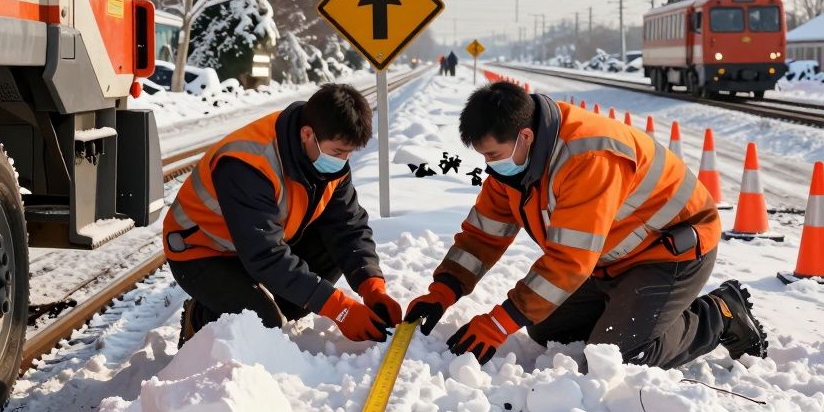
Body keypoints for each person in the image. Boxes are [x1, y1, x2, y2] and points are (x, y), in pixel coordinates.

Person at [404, 82, 768, 368]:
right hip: (610, 258)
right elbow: (483, 235)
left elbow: (568, 260)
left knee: (618, 356)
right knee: (547, 328)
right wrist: (443, 291)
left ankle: (719, 313)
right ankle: (626, 307)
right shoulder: (514, 165)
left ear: (525, 137)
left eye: (493, 155)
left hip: (670, 252)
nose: (488, 165)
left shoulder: (589, 157)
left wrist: (499, 322)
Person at [165, 83, 403, 346]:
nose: (343, 160)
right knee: (264, 324)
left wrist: (371, 285)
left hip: (258, 242)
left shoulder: (329, 159)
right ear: (307, 134)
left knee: (305, 290)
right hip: (202, 252)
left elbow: (347, 226)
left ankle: (256, 299)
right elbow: (265, 256)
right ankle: (201, 316)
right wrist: (339, 308)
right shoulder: (248, 164)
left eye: (349, 154)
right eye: (338, 152)